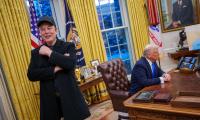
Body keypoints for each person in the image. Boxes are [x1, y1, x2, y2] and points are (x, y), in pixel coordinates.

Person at [27, 16, 90, 120]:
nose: (46, 32)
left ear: (55, 30)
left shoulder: (68, 46)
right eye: (43, 29)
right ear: (40, 33)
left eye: (49, 28)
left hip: (69, 95)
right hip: (49, 99)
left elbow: (70, 64)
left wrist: (49, 52)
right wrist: (55, 69)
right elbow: (31, 74)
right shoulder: (36, 52)